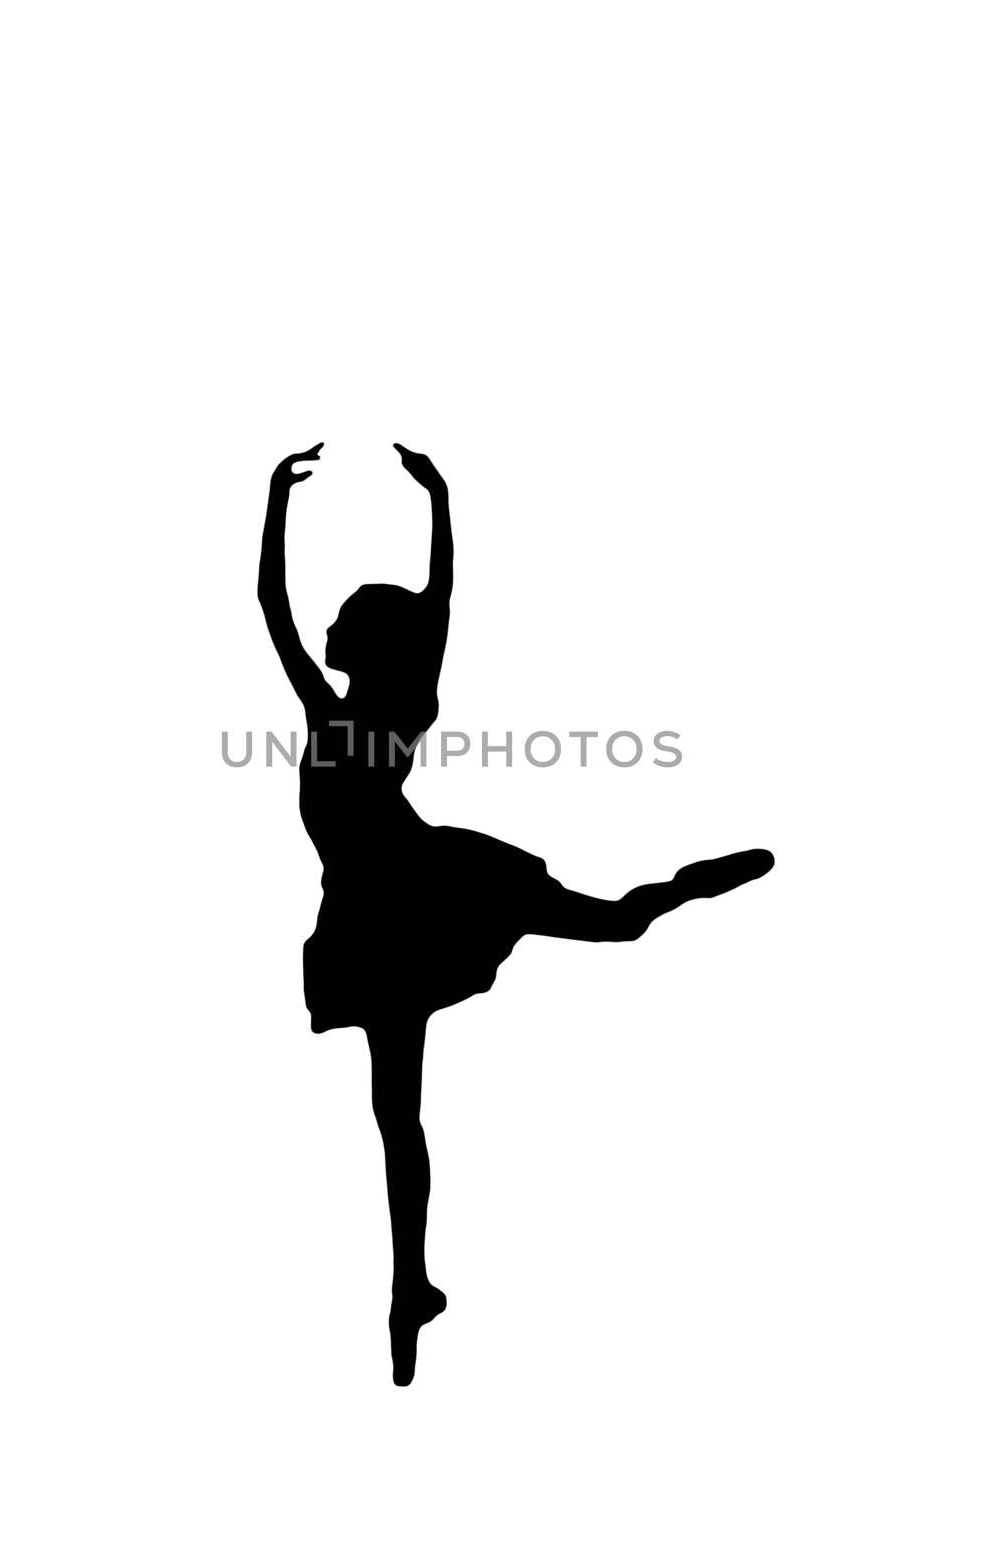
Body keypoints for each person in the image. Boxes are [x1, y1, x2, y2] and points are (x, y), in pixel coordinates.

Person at [258, 442, 774, 1385]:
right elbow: (296, 610)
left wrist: (424, 503)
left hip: (425, 887)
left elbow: (412, 604)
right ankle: (408, 1284)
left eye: (342, 623)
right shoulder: (350, 706)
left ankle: (686, 884)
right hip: (374, 912)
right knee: (395, 1116)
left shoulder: (384, 707)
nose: (326, 631)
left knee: (612, 928)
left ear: (366, 644)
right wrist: (308, 499)